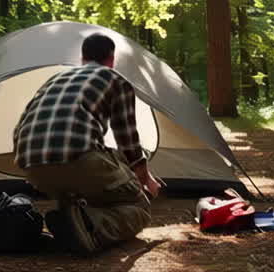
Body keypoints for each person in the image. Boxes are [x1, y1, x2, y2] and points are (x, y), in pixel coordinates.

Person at [12, 33, 162, 254]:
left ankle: (72, 216)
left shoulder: (55, 79)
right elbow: (126, 138)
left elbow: (20, 128)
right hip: (79, 159)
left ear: (82, 57)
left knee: (105, 160)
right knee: (139, 208)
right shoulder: (115, 79)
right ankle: (92, 227)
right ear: (111, 59)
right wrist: (145, 182)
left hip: (32, 167)